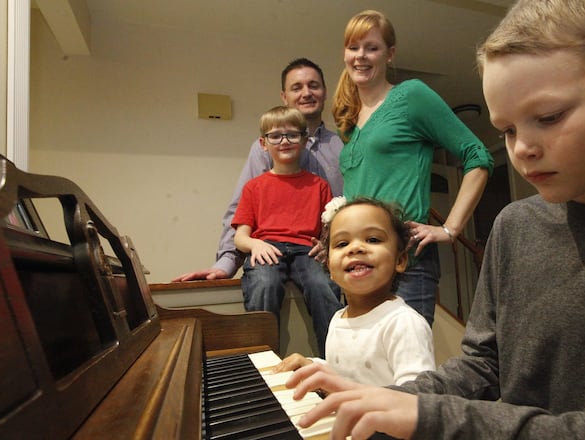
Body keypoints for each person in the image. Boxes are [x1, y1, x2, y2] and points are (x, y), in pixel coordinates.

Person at [284, 1, 585, 439]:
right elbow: (481, 365)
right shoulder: (516, 225)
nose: (521, 150)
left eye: (549, 117)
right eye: (507, 130)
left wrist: (434, 416)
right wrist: (383, 396)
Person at [332, 10, 495, 326]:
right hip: (359, 265)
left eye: (372, 47)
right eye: (353, 47)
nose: (360, 56)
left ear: (390, 54)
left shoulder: (412, 96)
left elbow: (478, 156)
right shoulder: (348, 122)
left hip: (408, 261)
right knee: (365, 365)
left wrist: (450, 228)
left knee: (408, 369)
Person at [173, 58, 343, 282]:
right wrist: (226, 264)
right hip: (270, 264)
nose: (306, 93)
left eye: (313, 85)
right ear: (284, 96)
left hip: (326, 266)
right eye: (296, 87)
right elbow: (241, 209)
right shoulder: (262, 149)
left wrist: (333, 246)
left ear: (324, 91)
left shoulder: (343, 146)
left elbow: (349, 207)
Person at [273, 197, 435, 386]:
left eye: (373, 239)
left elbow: (415, 400)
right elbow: (345, 375)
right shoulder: (338, 319)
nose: (355, 248)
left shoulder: (404, 324)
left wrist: (341, 392)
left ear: (400, 261)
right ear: (330, 269)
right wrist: (312, 367)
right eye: (342, 244)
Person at [231, 105, 342, 357]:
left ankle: (335, 362)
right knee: (264, 283)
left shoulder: (319, 185)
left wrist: (326, 246)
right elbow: (240, 237)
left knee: (321, 285)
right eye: (275, 136)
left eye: (292, 135)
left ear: (304, 140)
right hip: (267, 247)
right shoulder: (254, 187)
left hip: (307, 250)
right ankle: (262, 362)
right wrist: (255, 244)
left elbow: (330, 231)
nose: (284, 141)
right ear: (263, 143)